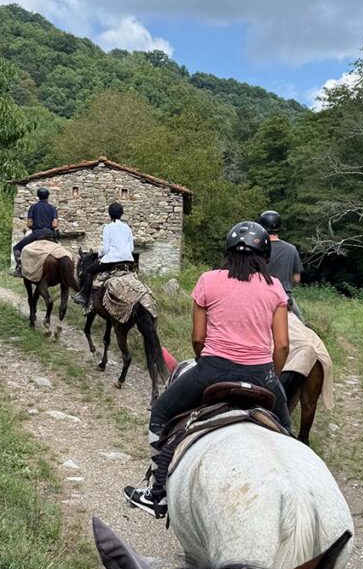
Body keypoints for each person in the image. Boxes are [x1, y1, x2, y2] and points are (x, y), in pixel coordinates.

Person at [124, 220, 291, 518]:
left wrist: (205, 361)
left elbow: (198, 338)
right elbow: (281, 346)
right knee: (287, 433)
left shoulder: (208, 281)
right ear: (264, 256)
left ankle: (157, 493)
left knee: (160, 412)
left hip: (213, 369)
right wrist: (271, 376)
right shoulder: (275, 287)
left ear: (228, 251)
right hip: (261, 374)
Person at [74, 201, 134, 310]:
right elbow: (131, 249)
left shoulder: (108, 227)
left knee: (88, 271)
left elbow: (106, 249)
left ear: (109, 214)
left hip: (112, 261)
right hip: (128, 261)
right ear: (122, 214)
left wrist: (99, 254)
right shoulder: (127, 228)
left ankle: (84, 297)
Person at [259, 210, 305, 320]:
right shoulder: (291, 249)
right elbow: (297, 278)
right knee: (301, 320)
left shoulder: (257, 248)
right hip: (284, 297)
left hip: (261, 296)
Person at [11, 187, 58, 276]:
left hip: (37, 234)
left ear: (38, 196)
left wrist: (36, 226)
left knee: (16, 248)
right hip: (49, 234)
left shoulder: (33, 207)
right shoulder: (52, 208)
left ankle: (20, 268)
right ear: (48, 196)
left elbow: (29, 224)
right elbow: (55, 224)